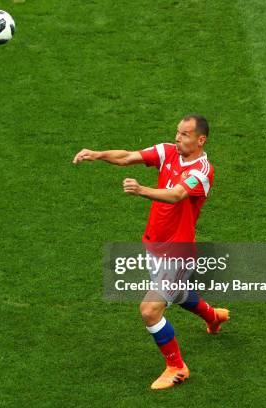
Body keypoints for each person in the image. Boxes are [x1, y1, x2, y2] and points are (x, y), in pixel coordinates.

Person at [73, 114, 229, 389]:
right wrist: (96, 154)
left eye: (184, 134)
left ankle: (177, 367)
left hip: (177, 253)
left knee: (150, 309)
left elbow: (178, 194)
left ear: (200, 139)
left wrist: (141, 189)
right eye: (177, 132)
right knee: (178, 294)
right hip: (154, 245)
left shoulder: (203, 171)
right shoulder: (168, 152)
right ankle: (213, 316)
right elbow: (127, 157)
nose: (177, 138)